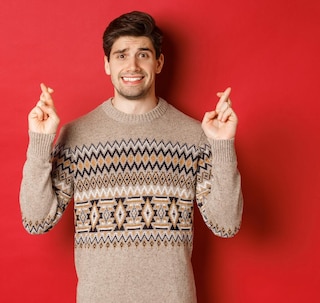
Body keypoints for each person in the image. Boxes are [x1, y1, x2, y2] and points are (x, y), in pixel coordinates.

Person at [19, 11, 243, 303]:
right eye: (121, 55)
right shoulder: (77, 135)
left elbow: (226, 225)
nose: (133, 65)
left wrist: (223, 145)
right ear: (107, 65)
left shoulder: (193, 135)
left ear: (159, 62)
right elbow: (36, 221)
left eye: (143, 54)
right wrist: (40, 140)